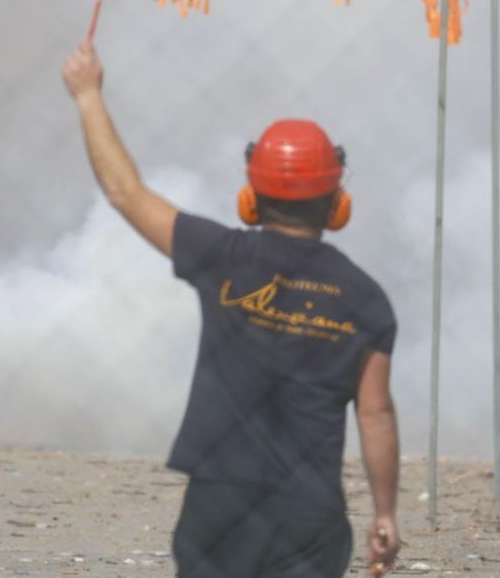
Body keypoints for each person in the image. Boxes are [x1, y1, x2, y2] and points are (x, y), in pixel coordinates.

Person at [61, 42, 400, 578]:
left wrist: (87, 96)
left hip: (219, 502)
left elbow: (125, 193)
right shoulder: (365, 296)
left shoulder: (221, 257)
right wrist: (385, 512)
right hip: (309, 511)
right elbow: (376, 412)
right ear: (337, 204)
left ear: (252, 197)